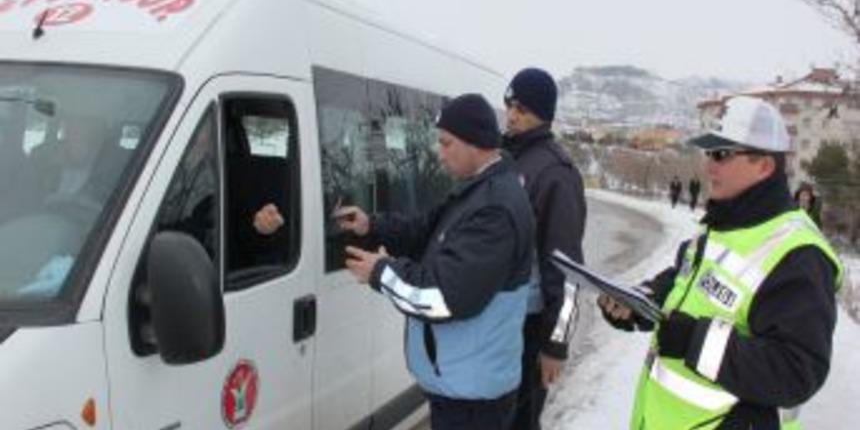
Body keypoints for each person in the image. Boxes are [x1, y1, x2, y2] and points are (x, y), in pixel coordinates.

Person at [598, 96, 844, 430]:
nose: (709, 165)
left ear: (764, 166)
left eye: (722, 154)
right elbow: (685, 279)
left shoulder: (798, 254)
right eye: (708, 153)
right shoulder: (722, 222)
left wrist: (694, 342)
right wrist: (641, 302)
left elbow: (797, 371)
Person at [336, 93, 535, 430]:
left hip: (474, 403)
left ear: (476, 142)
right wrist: (372, 225)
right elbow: (426, 230)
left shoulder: (495, 210)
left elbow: (443, 298)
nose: (438, 154)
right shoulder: (478, 189)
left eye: (446, 143)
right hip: (461, 387)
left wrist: (381, 273)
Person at [501, 67, 586, 430]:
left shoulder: (555, 173)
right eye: (509, 105)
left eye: (521, 108)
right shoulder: (505, 159)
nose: (512, 114)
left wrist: (556, 345)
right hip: (498, 321)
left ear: (543, 113)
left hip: (530, 329)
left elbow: (568, 271)